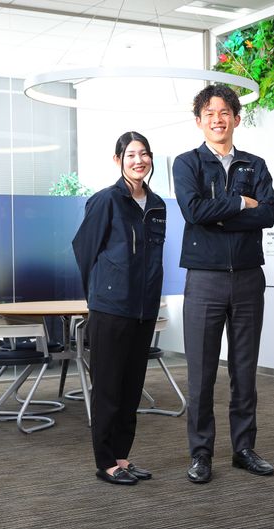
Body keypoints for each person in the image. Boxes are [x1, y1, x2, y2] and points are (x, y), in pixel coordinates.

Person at [173, 84, 274, 484]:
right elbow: (193, 211)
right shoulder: (187, 163)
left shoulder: (255, 164)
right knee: (201, 373)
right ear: (199, 121)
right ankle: (201, 453)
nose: (217, 120)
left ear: (236, 118)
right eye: (209, 114)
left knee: (244, 369)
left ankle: (244, 448)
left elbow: (267, 214)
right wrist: (239, 203)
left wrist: (221, 215)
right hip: (204, 279)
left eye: (224, 113)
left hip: (249, 277)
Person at [72, 131, 166, 486]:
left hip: (144, 309)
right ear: (118, 160)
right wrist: (101, 293)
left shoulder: (157, 205)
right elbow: (84, 250)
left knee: (130, 389)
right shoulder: (106, 201)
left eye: (144, 154)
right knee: (108, 388)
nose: (139, 161)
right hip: (111, 309)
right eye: (131, 155)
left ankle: (123, 457)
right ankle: (105, 462)